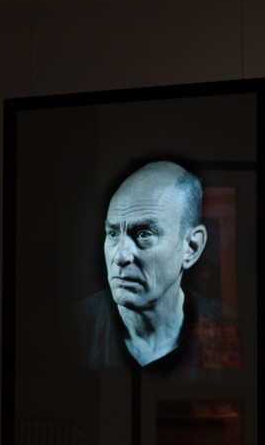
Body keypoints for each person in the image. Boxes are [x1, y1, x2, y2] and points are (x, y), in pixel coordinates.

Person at [73, 160, 230, 374]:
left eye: (144, 234)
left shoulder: (229, 329)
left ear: (191, 247)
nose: (120, 256)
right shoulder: (73, 328)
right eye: (113, 233)